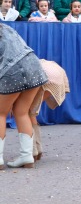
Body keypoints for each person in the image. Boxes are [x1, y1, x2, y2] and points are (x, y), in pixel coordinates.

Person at [0, 22, 49, 169]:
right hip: (34, 66)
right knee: (22, 112)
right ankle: (27, 156)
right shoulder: (6, 28)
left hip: (11, 71)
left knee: (0, 113)